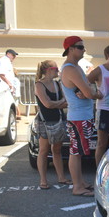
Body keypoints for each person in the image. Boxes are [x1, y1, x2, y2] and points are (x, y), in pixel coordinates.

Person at [60, 36, 103, 197]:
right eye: (80, 47)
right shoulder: (70, 69)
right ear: (70, 49)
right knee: (76, 152)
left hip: (81, 115)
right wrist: (97, 93)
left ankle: (80, 182)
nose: (83, 50)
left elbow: (87, 90)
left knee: (78, 151)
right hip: (78, 116)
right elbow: (89, 92)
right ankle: (77, 186)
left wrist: (91, 92)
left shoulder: (75, 67)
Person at [34, 60, 70, 189]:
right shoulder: (39, 85)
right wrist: (59, 103)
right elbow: (47, 104)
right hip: (45, 121)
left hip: (58, 119)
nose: (58, 71)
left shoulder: (57, 84)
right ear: (49, 69)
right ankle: (43, 180)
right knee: (44, 151)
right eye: (56, 69)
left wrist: (56, 103)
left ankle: (61, 177)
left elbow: (66, 102)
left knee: (57, 150)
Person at [0, 49, 21, 119]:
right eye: (13, 55)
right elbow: (1, 74)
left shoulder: (7, 61)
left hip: (8, 87)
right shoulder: (4, 61)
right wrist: (9, 84)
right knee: (6, 104)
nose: (14, 57)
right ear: (8, 54)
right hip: (5, 87)